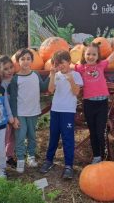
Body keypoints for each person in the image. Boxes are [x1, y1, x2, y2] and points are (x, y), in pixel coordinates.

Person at [39, 50, 83, 179]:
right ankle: (49, 160)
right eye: (57, 63)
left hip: (68, 111)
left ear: (69, 62)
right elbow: (51, 90)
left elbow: (76, 92)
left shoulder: (76, 75)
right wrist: (52, 75)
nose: (60, 66)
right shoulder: (56, 74)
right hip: (56, 110)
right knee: (53, 135)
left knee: (67, 138)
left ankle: (68, 165)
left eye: (62, 62)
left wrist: (71, 81)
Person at [74, 43, 114, 163]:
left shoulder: (101, 65)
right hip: (89, 104)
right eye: (88, 54)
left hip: (102, 104)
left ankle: (104, 156)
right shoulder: (80, 67)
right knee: (93, 131)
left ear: (98, 56)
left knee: (100, 131)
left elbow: (109, 59)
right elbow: (72, 65)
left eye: (94, 54)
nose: (91, 56)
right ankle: (96, 156)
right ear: (84, 54)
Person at [8, 48, 49, 173]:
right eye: (22, 59)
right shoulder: (15, 79)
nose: (25, 62)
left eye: (28, 59)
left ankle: (31, 157)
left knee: (32, 136)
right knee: (20, 136)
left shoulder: (35, 75)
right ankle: (20, 159)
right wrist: (14, 117)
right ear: (18, 61)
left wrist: (51, 75)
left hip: (33, 112)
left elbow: (43, 87)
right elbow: (13, 99)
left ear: (32, 60)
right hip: (20, 113)